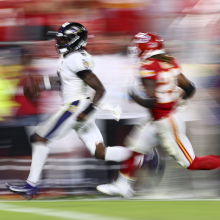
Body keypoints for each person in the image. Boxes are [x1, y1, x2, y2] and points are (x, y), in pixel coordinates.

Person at [6, 22, 134, 199]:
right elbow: (67, 81)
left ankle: (31, 186)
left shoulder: (75, 59)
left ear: (75, 40)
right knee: (100, 153)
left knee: (39, 138)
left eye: (64, 39)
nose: (59, 42)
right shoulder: (72, 57)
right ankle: (141, 157)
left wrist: (87, 111)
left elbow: (99, 89)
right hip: (80, 106)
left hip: (76, 106)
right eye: (60, 39)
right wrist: (44, 84)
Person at [97, 32, 220, 198]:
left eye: (137, 48)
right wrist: (179, 100)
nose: (135, 52)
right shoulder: (170, 62)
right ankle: (122, 186)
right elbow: (189, 88)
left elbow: (151, 102)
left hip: (166, 122)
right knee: (134, 148)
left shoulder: (146, 68)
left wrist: (133, 95)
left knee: (191, 163)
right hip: (159, 119)